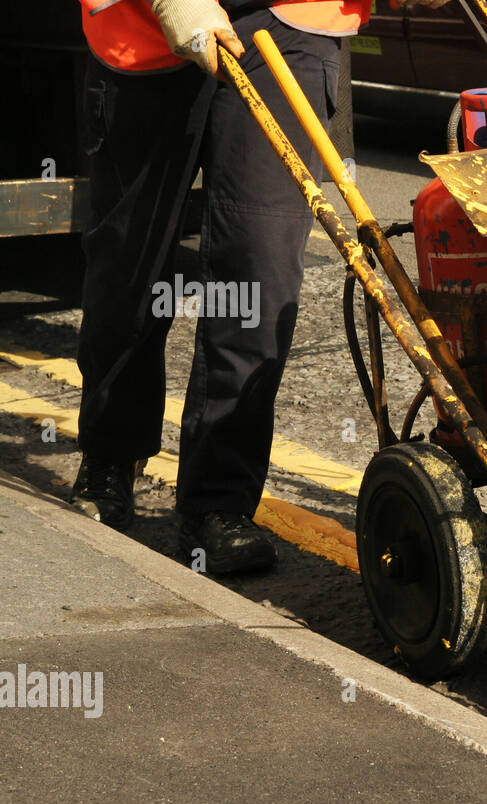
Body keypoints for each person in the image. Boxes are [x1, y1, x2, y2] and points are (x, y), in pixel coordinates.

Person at [70, 0, 448, 573]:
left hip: (291, 22)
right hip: (146, 36)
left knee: (259, 268)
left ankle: (217, 504)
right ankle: (110, 453)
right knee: (131, 264)